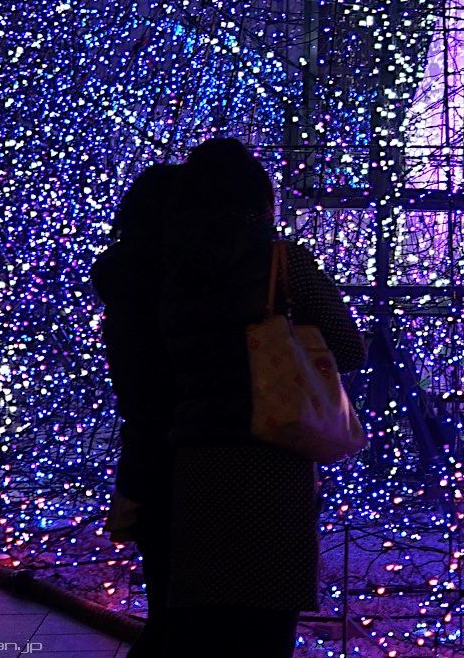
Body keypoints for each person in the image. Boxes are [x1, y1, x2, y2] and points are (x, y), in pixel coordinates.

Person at [157, 138, 365, 658]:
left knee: (204, 629)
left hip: (196, 464)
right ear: (258, 201)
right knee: (265, 625)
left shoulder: (171, 271)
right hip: (271, 463)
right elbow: (348, 347)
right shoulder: (281, 265)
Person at [93, 163, 185, 658]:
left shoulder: (121, 278)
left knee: (165, 593)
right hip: (182, 443)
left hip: (145, 444)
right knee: (183, 604)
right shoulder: (178, 286)